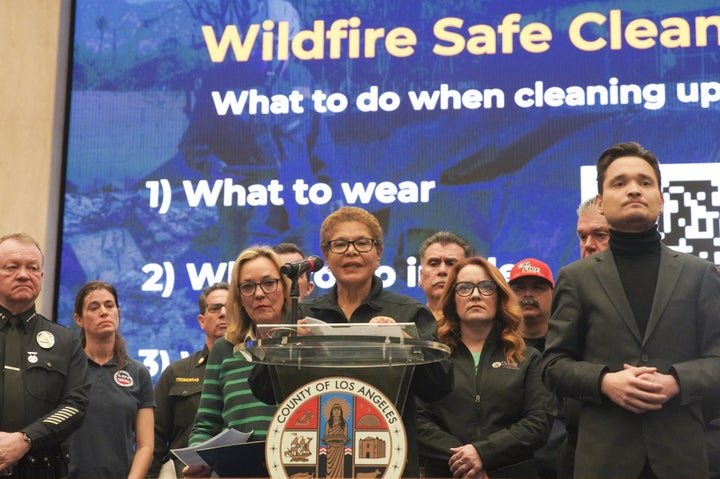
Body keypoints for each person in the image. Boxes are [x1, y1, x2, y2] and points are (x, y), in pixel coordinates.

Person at [542, 141, 720, 479]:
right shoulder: (576, 278)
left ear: (662, 199)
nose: (634, 190)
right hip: (603, 460)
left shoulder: (700, 273)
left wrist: (677, 382)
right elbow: (552, 366)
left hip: (681, 460)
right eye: (619, 183)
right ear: (601, 203)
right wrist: (605, 381)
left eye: (645, 182)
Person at [251, 206, 453, 478]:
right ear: (326, 255)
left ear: (378, 252)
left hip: (389, 460)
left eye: (362, 243)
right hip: (314, 461)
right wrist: (284, 342)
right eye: (340, 244)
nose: (351, 251)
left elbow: (439, 386)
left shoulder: (409, 313)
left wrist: (406, 342)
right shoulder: (305, 315)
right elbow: (263, 389)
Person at [417, 256, 555, 479]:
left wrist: (483, 453)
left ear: (499, 296)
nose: (475, 294)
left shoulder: (527, 357)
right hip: (446, 472)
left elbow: (538, 423)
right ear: (452, 299)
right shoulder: (434, 357)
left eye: (486, 287)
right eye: (464, 288)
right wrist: (464, 460)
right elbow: (417, 421)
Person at [183, 246, 290, 478]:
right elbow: (206, 423)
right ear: (239, 297)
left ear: (284, 288)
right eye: (248, 286)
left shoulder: (306, 342)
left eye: (269, 283)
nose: (259, 294)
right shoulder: (224, 349)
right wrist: (198, 458)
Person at [0, 233, 89, 479]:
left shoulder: (65, 340)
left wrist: (25, 439)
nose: (23, 274)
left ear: (41, 277)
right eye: (12, 267)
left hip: (42, 469)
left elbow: (76, 405)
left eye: (32, 268)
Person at [69, 281, 155, 479]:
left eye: (109, 305)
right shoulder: (67, 369)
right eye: (94, 307)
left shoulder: (138, 372)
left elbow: (145, 445)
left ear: (118, 312)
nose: (104, 312)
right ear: (79, 319)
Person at [149, 282, 229, 477]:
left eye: (230, 307)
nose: (224, 313)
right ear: (201, 320)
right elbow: (154, 439)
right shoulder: (176, 372)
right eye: (215, 308)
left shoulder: (252, 368)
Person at [418, 231, 475, 315]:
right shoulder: (406, 323)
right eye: (433, 264)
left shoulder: (481, 326)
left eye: (451, 264)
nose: (442, 270)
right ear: (421, 276)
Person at [508, 258, 554, 352]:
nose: (528, 294)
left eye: (537, 288)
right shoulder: (498, 343)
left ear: (553, 294)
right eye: (519, 288)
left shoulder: (567, 342)